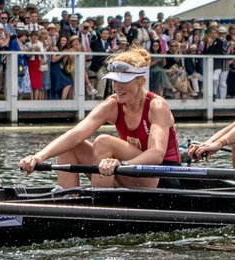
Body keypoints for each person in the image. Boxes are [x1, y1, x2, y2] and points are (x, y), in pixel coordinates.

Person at [17, 46, 180, 189]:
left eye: (123, 82)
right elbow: (75, 134)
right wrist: (39, 156)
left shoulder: (157, 106)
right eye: (114, 81)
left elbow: (156, 153)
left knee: (103, 142)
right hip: (127, 172)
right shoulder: (112, 104)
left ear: (141, 80)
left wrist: (121, 165)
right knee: (70, 146)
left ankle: (99, 202)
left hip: (164, 176)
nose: (117, 87)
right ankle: (69, 201)